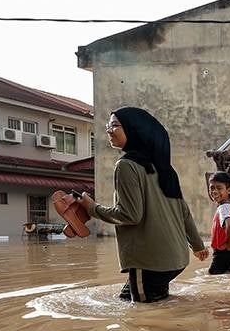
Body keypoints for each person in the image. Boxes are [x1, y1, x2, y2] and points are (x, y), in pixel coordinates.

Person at [79, 107, 208, 302]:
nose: (108, 130)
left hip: (150, 263)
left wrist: (91, 208)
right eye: (108, 125)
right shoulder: (166, 169)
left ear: (133, 129)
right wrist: (198, 246)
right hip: (177, 259)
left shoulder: (126, 165)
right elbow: (184, 212)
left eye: (115, 125)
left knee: (143, 320)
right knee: (128, 298)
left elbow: (130, 215)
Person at [207, 171, 230, 275]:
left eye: (219, 188)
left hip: (222, 253)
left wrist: (228, 243)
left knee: (212, 278)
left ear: (229, 190)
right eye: (212, 188)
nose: (214, 191)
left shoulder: (223, 208)